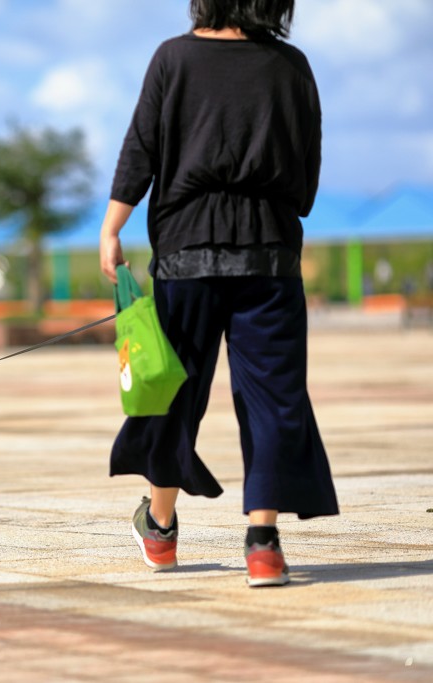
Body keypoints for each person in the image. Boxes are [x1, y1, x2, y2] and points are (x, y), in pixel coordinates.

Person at [99, 0, 338, 587]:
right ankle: (263, 542)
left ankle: (159, 530)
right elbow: (306, 176)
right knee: (274, 397)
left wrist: (112, 227)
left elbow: (141, 151)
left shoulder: (173, 58)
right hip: (271, 253)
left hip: (187, 254)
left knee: (172, 390)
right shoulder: (291, 66)